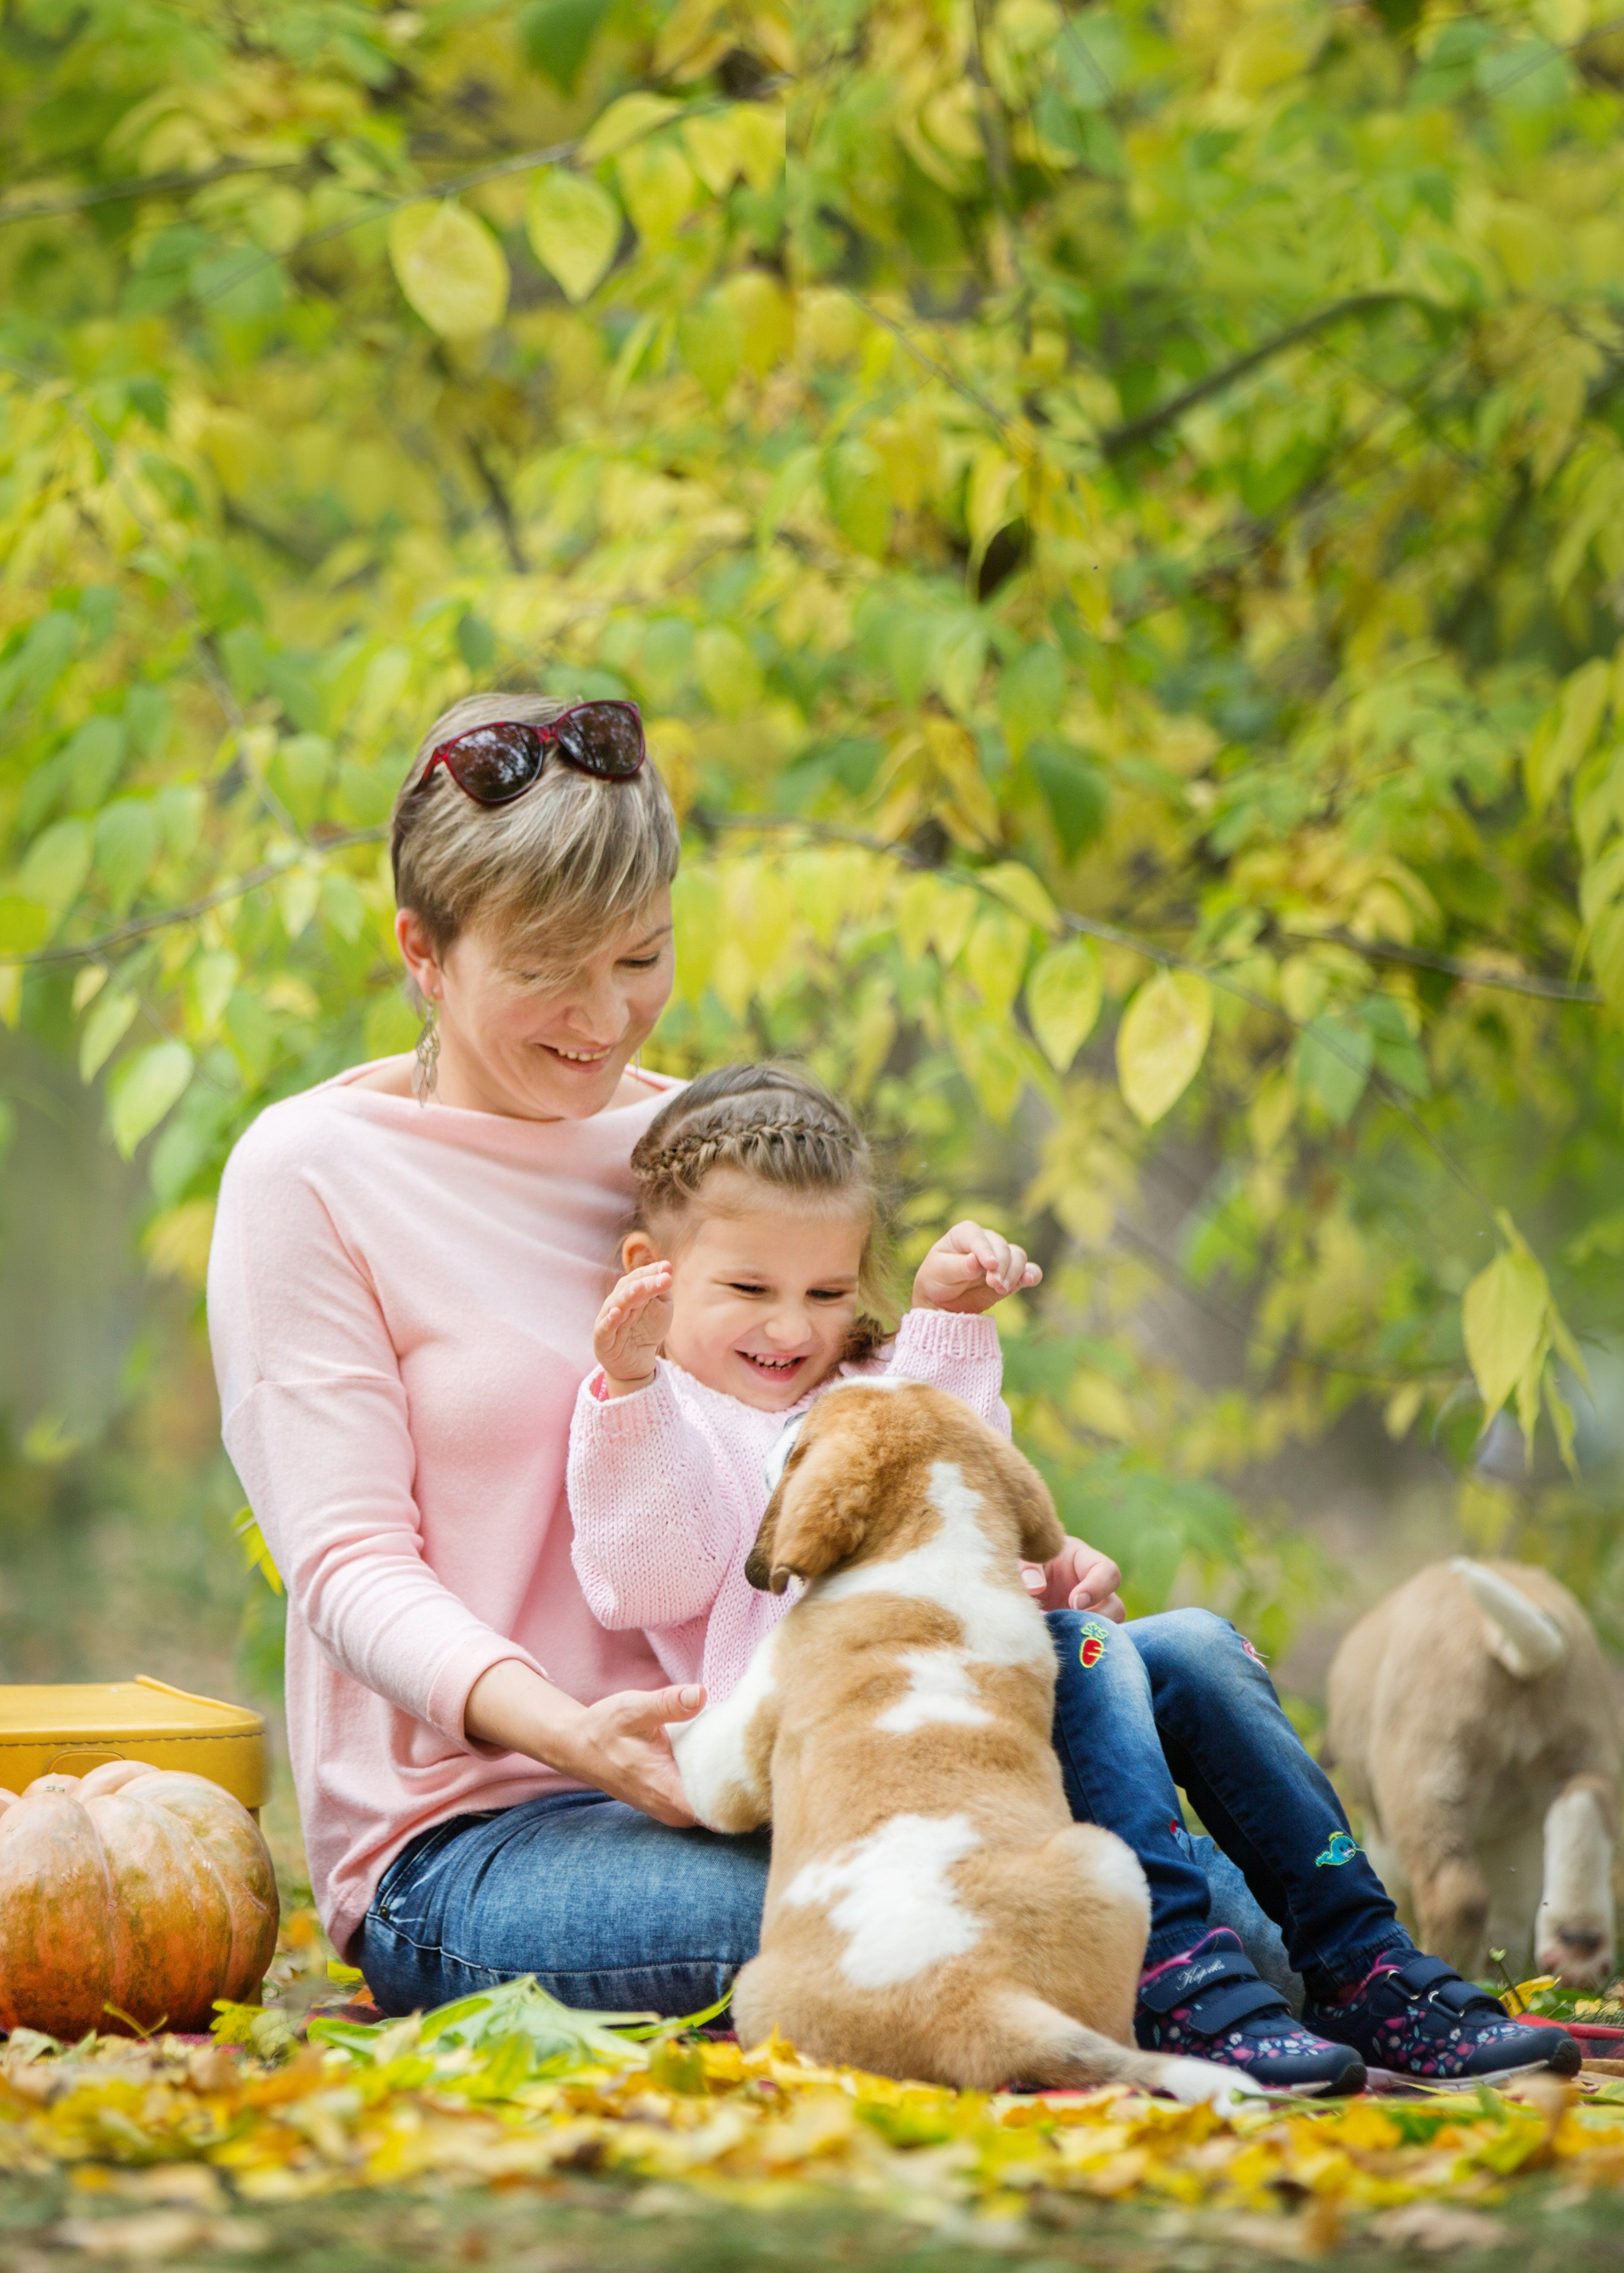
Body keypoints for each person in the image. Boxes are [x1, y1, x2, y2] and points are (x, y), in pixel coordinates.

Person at [206, 690, 1578, 2094]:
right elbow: (348, 1565)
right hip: (492, 1835)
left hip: (812, 1742)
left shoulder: (700, 1147)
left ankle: (1361, 1976)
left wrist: (1002, 1551)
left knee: (1176, 1759)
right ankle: (1206, 1985)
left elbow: (834, 1416)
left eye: (640, 957)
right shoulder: (312, 1175)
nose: (603, 1017)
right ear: (422, 951)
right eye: (548, 970)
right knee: (1046, 1919)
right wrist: (567, 1730)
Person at [567, 1065, 1581, 2093]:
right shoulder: (662, 1414)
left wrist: (951, 1333)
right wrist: (635, 1383)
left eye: (827, 1293)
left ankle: (1369, 1962)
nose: (793, 1329)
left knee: (1194, 1645)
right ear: (654, 1273)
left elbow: (964, 1495)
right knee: (1091, 1650)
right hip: (854, 1754)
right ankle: (1178, 1978)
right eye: (750, 1291)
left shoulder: (876, 1383)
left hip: (976, 1713)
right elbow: (649, 1579)